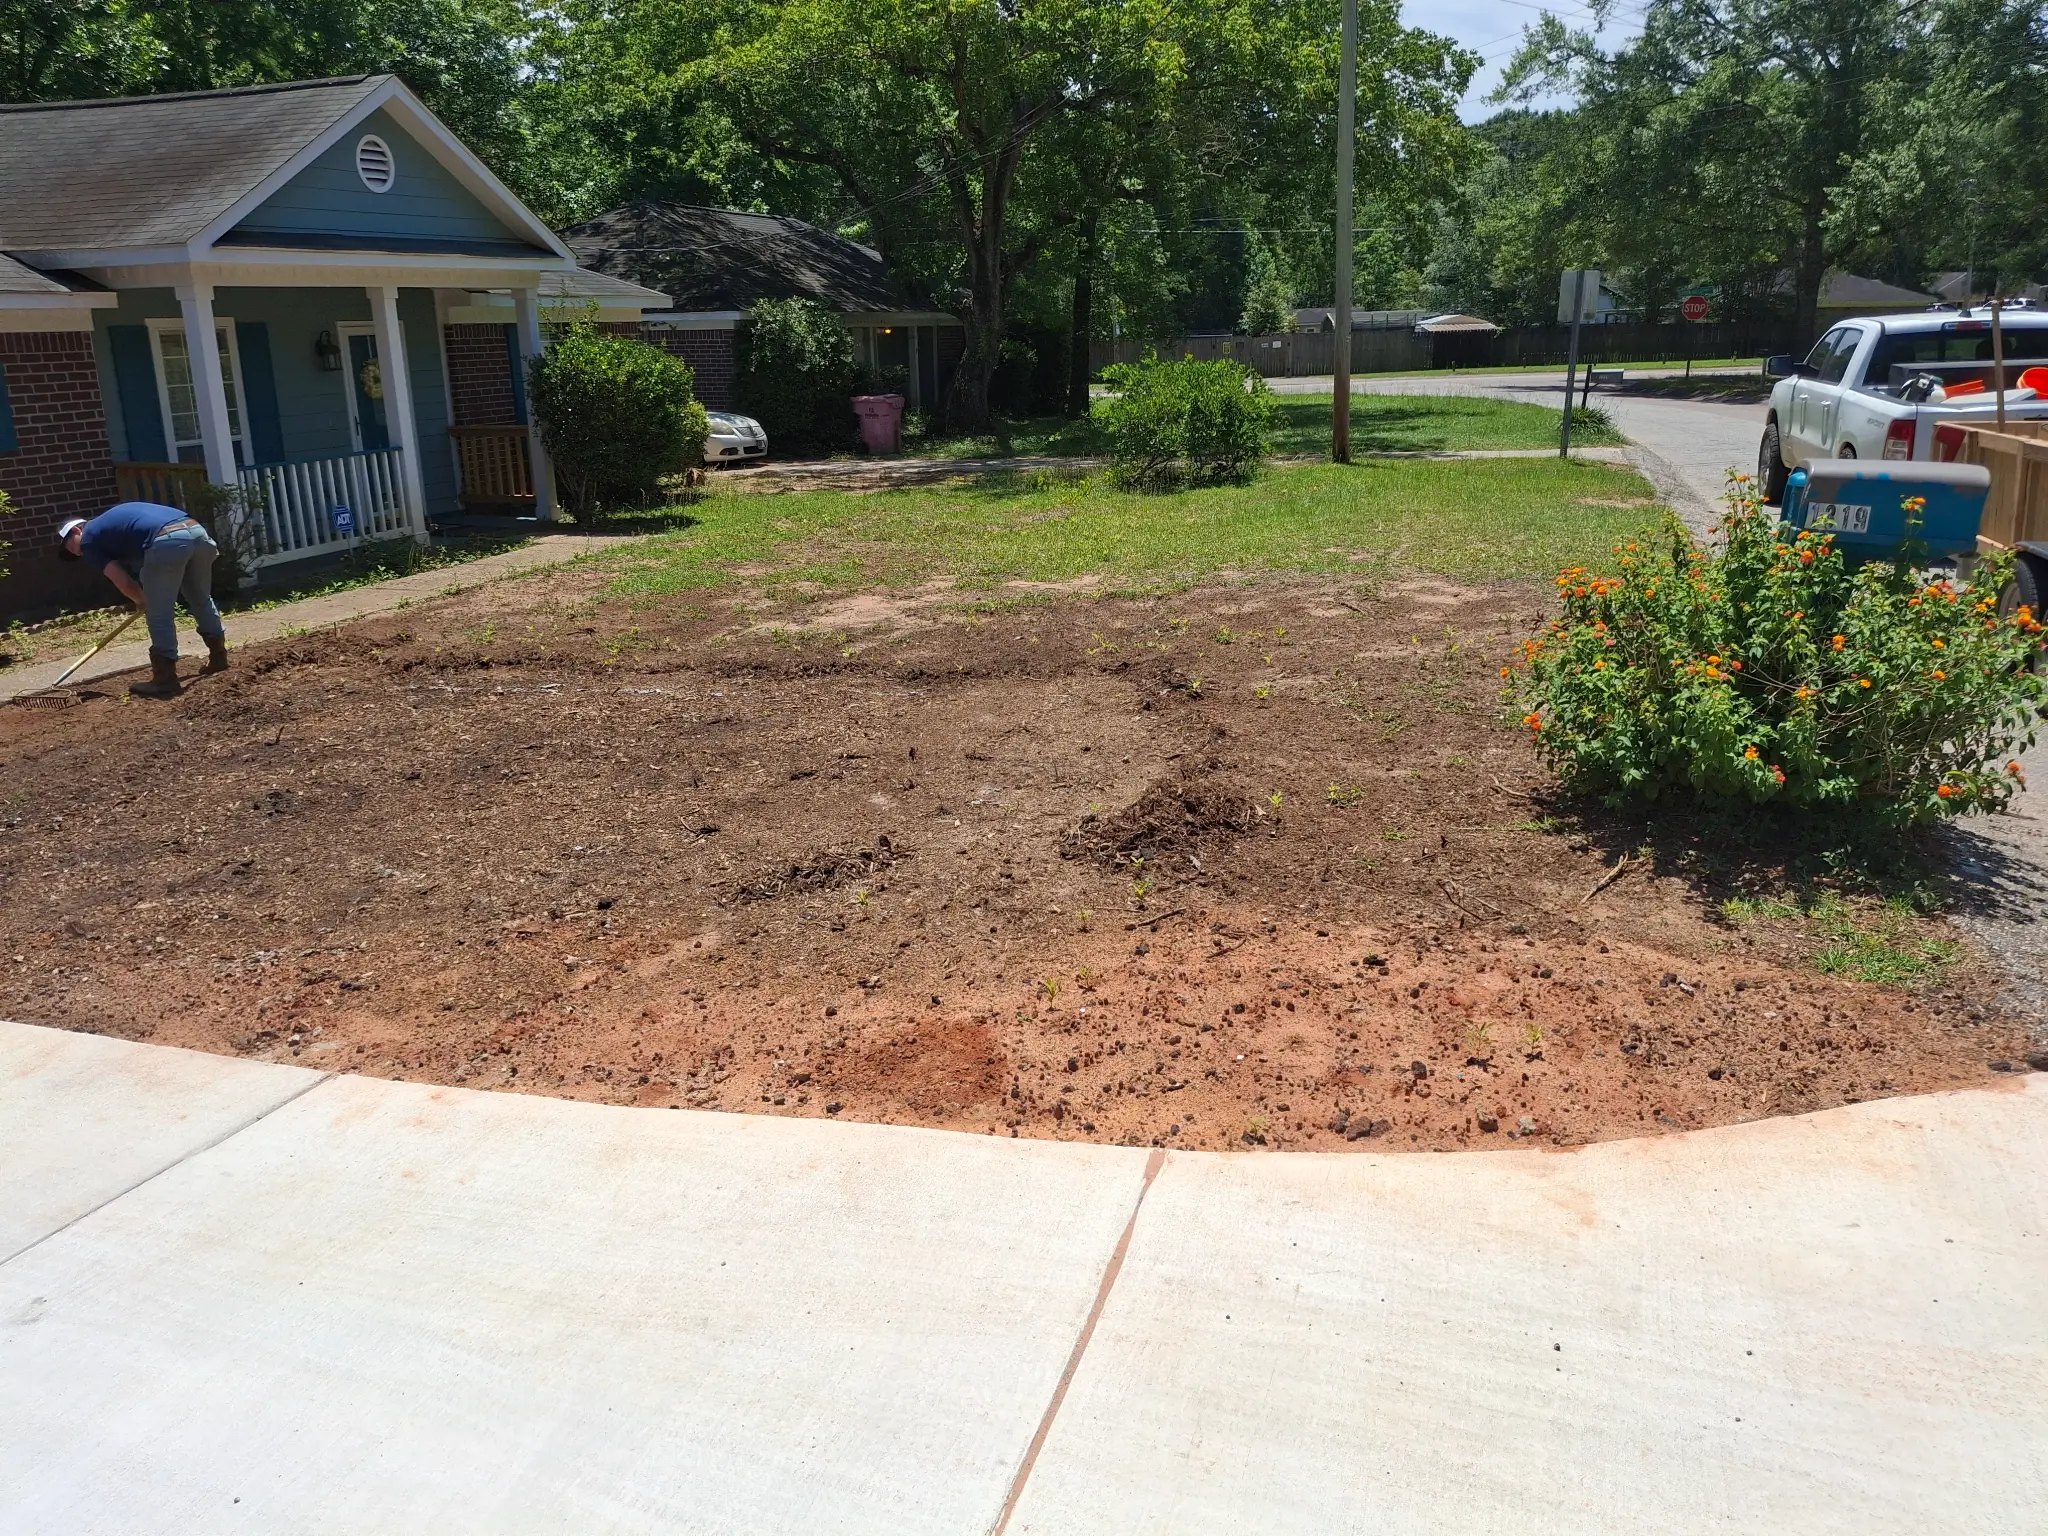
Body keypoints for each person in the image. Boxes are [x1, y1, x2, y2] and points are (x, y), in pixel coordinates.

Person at [56, 502, 228, 698]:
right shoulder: (111, 524)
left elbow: (122, 581)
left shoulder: (88, 540)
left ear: (77, 530)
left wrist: (142, 601)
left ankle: (165, 681)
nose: (79, 553)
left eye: (72, 547)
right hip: (197, 533)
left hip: (167, 539)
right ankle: (218, 658)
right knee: (200, 598)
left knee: (158, 613)